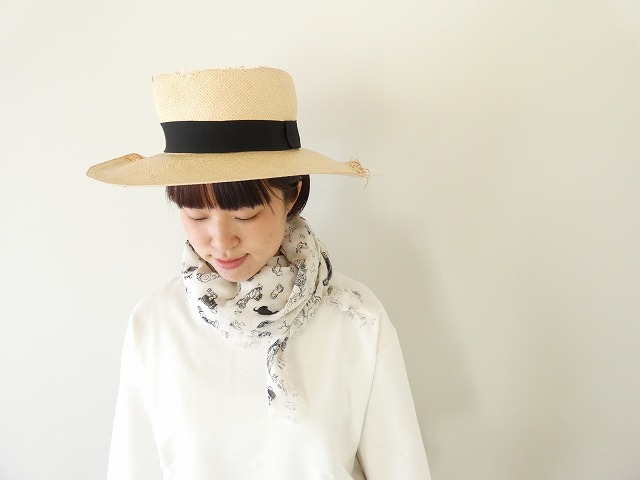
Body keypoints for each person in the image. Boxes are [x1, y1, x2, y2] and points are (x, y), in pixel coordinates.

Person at [87, 66, 431, 480]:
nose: (221, 241)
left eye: (245, 214)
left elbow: (401, 468)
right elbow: (132, 468)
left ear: (293, 195)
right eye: (196, 215)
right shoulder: (155, 322)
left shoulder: (356, 317)